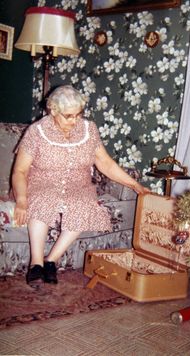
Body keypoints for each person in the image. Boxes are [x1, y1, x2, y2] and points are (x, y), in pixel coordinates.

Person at [12, 85, 149, 288]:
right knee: (42, 200)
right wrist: (22, 200)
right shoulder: (37, 131)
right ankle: (36, 263)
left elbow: (106, 163)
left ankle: (51, 260)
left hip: (78, 183)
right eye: (68, 116)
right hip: (42, 181)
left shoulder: (88, 129)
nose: (74, 121)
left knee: (84, 204)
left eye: (78, 114)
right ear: (53, 110)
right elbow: (20, 171)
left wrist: (134, 184)